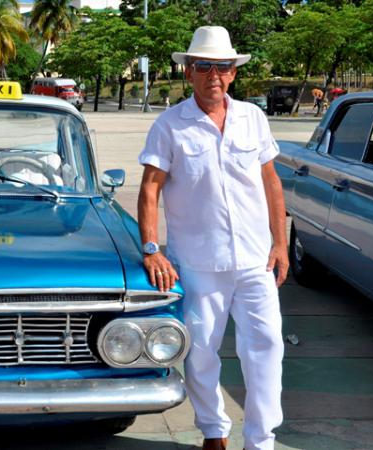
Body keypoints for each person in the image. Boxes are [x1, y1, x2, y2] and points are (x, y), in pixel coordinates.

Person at [137, 26, 286, 450]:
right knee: (200, 353)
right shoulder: (170, 125)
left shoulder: (253, 118)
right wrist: (152, 248)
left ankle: (261, 440)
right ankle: (214, 431)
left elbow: (270, 182)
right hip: (200, 263)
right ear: (189, 72)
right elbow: (150, 187)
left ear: (233, 74)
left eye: (222, 68)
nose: (214, 76)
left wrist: (280, 243)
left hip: (256, 261)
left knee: (267, 349)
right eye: (204, 67)